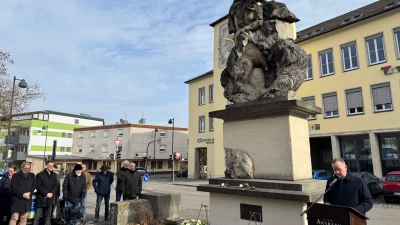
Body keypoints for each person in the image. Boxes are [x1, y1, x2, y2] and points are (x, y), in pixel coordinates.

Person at [33, 161, 58, 225]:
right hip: (41, 199)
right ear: (46, 166)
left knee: (47, 217)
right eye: (50, 165)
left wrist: (52, 193)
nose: (52, 167)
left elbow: (56, 185)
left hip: (50, 199)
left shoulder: (54, 175)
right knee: (37, 217)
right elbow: (38, 186)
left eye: (53, 165)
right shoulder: (39, 175)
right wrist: (47, 193)